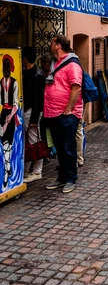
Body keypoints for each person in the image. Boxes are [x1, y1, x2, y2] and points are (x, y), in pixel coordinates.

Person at [44, 35, 83, 193]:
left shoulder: (72, 64)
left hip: (66, 113)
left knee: (68, 147)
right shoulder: (57, 63)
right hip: (53, 112)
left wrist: (68, 109)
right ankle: (62, 177)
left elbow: (76, 87)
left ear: (58, 45)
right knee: (60, 147)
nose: (51, 45)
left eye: (52, 42)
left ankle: (71, 179)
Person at [22, 46, 46, 183]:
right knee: (30, 142)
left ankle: (37, 171)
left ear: (24, 59)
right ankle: (29, 170)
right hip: (28, 111)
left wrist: (34, 118)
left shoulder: (36, 74)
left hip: (31, 112)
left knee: (34, 142)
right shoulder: (32, 73)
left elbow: (39, 99)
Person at [0, 54, 20, 188]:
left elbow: (16, 104)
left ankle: (7, 173)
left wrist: (10, 116)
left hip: (11, 115)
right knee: (3, 143)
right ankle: (7, 169)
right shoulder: (0, 82)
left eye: (7, 67)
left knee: (8, 144)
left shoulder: (15, 82)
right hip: (3, 114)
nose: (5, 70)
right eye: (4, 67)